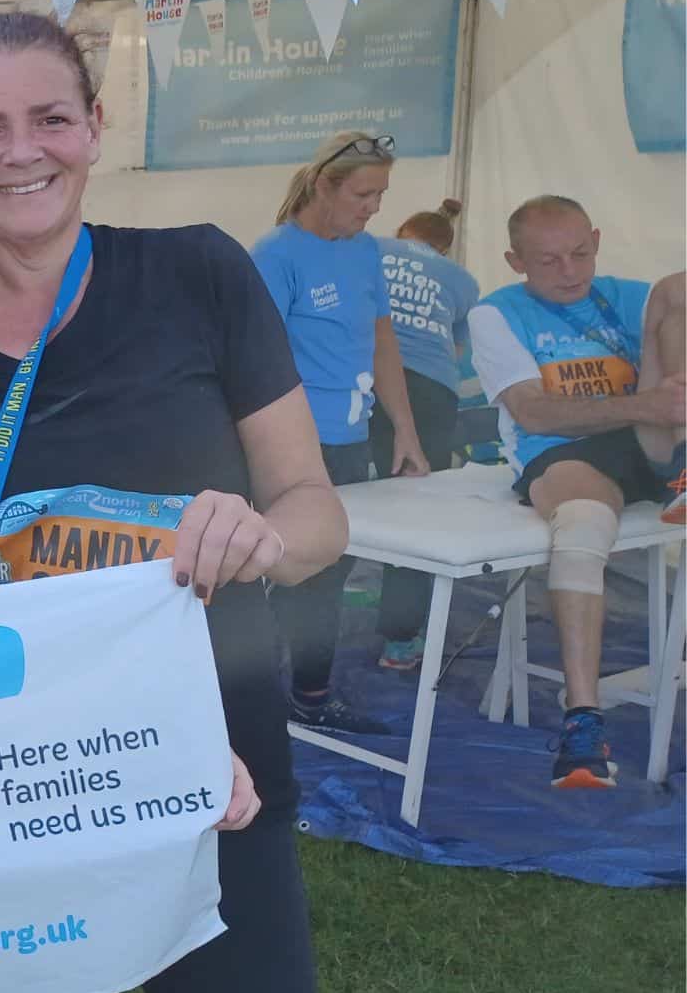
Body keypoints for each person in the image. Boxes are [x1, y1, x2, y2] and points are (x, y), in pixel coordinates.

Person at [0, 11, 342, 993]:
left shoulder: (200, 274)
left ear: (95, 127)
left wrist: (258, 534)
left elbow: (318, 507)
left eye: (50, 118)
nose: (22, 150)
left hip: (219, 773)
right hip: (21, 783)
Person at [467, 194, 686, 788]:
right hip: (565, 449)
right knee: (583, 522)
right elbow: (534, 414)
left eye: (580, 254)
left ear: (596, 238)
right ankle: (582, 719)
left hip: (656, 439)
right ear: (515, 260)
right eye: (548, 261)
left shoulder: (636, 294)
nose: (569, 272)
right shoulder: (495, 313)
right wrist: (650, 404)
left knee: (679, 288)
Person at [250, 130, 424, 736]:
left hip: (350, 436)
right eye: (364, 194)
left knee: (331, 567)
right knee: (306, 571)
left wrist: (404, 430)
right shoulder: (276, 255)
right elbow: (254, 359)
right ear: (325, 186)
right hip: (295, 444)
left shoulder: (365, 250)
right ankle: (301, 695)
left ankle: (297, 685)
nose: (374, 206)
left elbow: (382, 341)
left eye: (381, 194)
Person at [372, 200, 482, 670]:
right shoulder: (464, 281)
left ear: (403, 230)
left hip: (364, 377)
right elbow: (457, 349)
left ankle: (296, 614)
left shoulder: (371, 248)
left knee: (327, 488)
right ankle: (399, 642)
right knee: (414, 510)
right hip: (432, 391)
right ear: (447, 245)